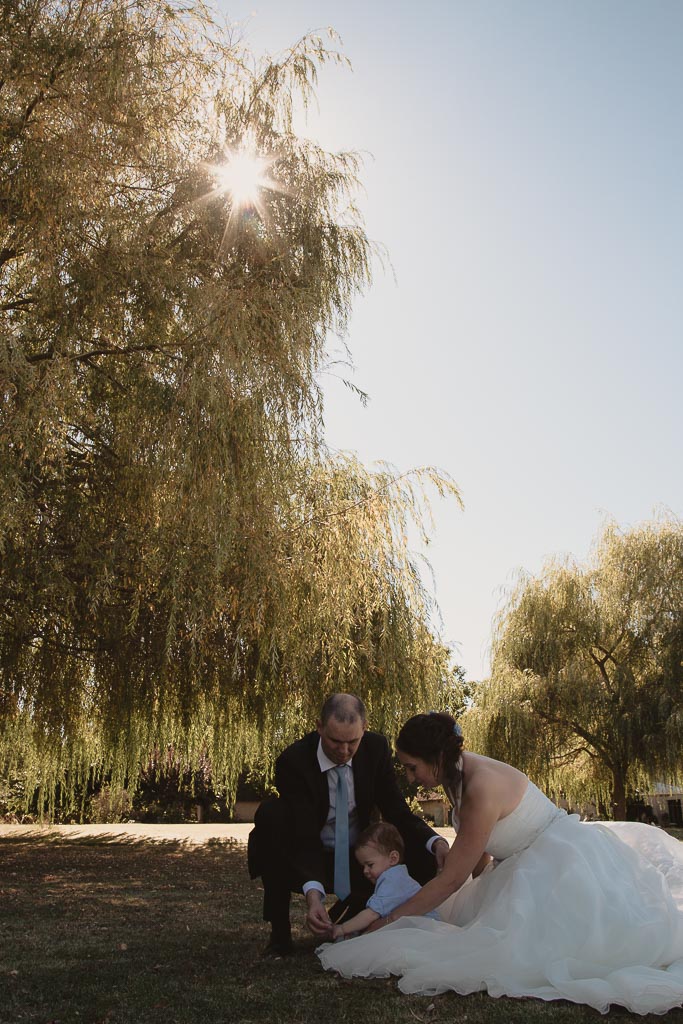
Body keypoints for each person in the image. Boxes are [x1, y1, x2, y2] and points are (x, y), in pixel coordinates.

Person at [318, 712, 683, 1015]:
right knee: (474, 925)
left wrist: (390, 920)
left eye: (412, 768)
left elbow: (450, 880)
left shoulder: (480, 786)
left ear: (436, 758)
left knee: (547, 951)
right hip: (520, 863)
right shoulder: (454, 773)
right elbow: (482, 852)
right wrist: (481, 891)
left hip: (559, 863)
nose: (411, 779)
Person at [247, 694, 449, 955]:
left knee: (425, 852)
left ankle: (371, 914)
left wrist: (436, 842)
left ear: (364, 728)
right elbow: (304, 834)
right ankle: (280, 934)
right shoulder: (293, 761)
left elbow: (396, 810)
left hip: (359, 858)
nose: (343, 751)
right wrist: (313, 895)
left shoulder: (376, 749)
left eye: (352, 742)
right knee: (270, 816)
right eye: (335, 741)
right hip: (305, 853)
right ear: (319, 727)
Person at [330, 822, 441, 940]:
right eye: (363, 866)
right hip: (421, 925)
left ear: (393, 858)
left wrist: (343, 928)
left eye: (369, 865)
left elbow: (371, 915)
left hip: (421, 930)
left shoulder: (391, 881)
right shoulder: (397, 875)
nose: (365, 871)